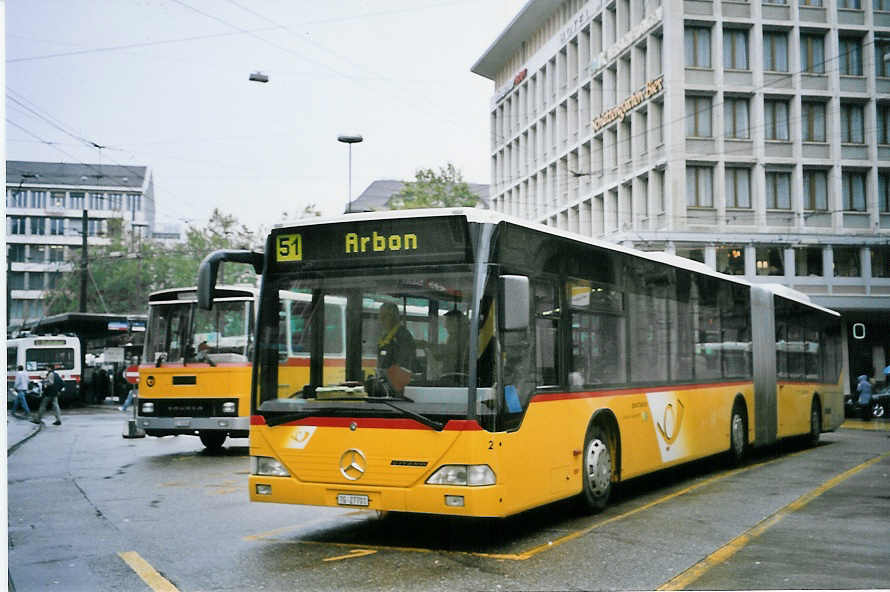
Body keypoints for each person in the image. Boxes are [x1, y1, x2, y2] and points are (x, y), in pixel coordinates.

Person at [375, 302, 416, 392]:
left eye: (385, 316)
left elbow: (404, 363)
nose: (381, 320)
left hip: (397, 386)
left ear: (395, 317)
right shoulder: (385, 336)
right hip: (385, 383)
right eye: (380, 316)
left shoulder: (403, 336)